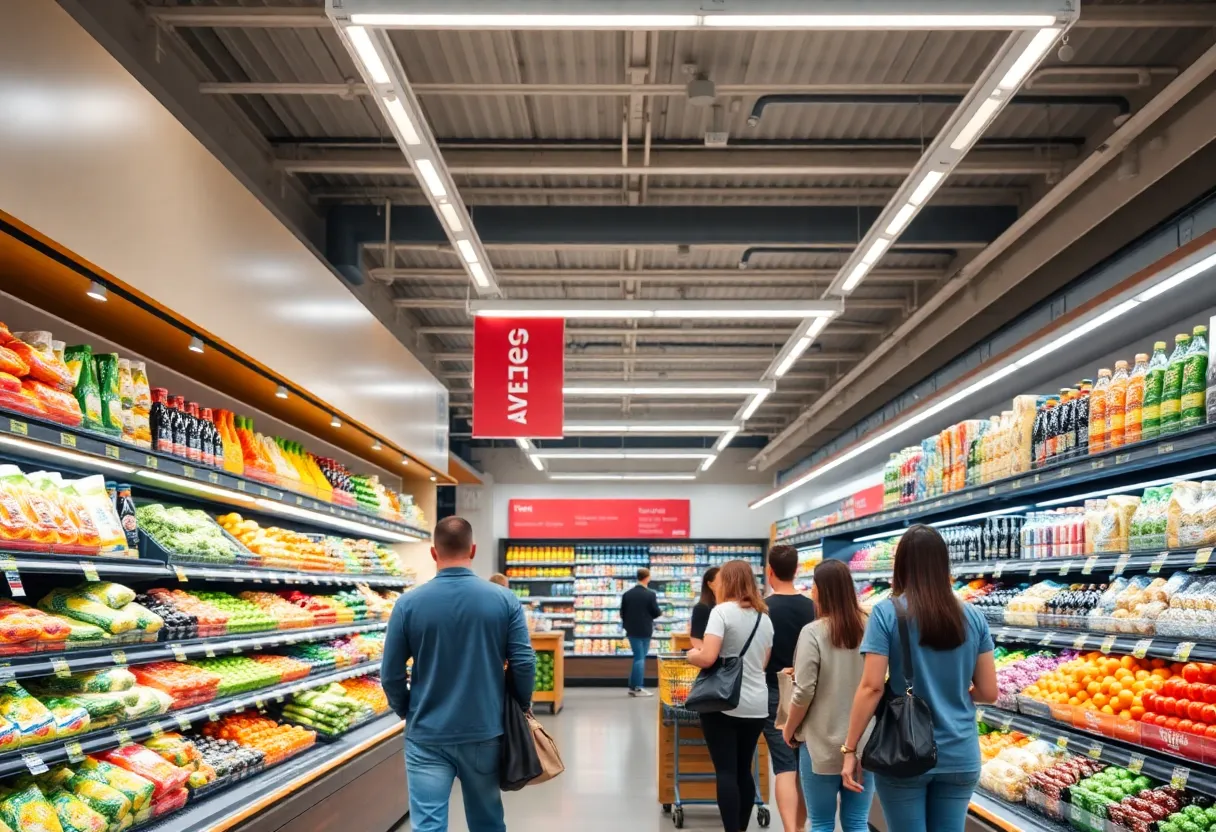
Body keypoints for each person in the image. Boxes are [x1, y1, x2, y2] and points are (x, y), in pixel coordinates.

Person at [381, 516, 536, 832]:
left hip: (426, 733)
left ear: (433, 552)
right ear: (474, 549)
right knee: (487, 821)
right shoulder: (504, 599)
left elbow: (391, 675)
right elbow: (524, 662)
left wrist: (408, 710)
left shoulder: (407, 604)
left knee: (427, 825)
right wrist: (520, 705)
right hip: (484, 729)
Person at [840, 525, 998, 832]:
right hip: (961, 752)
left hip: (904, 749)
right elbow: (989, 692)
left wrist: (849, 749)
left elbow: (872, 687)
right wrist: (952, 691)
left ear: (901, 564)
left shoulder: (887, 613)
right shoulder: (973, 616)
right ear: (943, 564)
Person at [782, 559, 875, 832]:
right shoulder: (870, 624)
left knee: (821, 822)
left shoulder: (813, 632)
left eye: (813, 586)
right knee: (857, 821)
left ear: (821, 591)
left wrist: (789, 728)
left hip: (819, 741)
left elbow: (804, 691)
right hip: (863, 741)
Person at [687, 560, 774, 832]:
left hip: (723, 702)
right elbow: (762, 663)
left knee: (725, 771)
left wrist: (692, 656)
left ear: (728, 582)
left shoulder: (721, 612)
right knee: (743, 770)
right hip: (757, 704)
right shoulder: (765, 617)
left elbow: (708, 657)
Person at [762, 544, 816, 832]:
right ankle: (800, 826)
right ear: (797, 570)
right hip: (809, 696)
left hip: (774, 694)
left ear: (770, 572)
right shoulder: (813, 608)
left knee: (784, 766)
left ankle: (790, 830)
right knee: (804, 767)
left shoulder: (764, 609)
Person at [620, 567, 662, 696]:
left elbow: (622, 613)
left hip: (631, 630)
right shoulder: (650, 594)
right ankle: (637, 687)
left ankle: (633, 685)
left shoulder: (627, 594)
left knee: (638, 657)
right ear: (647, 578)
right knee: (640, 658)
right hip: (644, 630)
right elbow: (655, 612)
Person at [689, 565, 720, 648]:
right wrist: (706, 654)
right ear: (710, 584)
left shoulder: (729, 606)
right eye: (721, 580)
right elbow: (696, 638)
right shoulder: (701, 608)